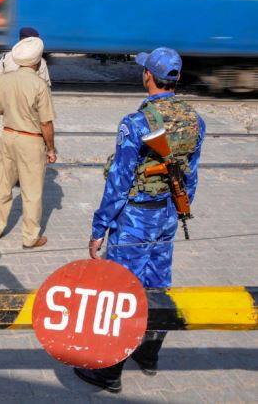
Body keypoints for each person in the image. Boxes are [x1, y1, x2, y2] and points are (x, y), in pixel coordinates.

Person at [75, 47, 205, 393]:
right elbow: (190, 176)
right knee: (157, 284)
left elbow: (119, 181)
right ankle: (148, 355)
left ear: (148, 76)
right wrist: (180, 209)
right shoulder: (195, 120)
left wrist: (99, 227)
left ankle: (109, 371)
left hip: (134, 217)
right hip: (166, 216)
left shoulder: (136, 122)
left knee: (121, 290)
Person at [0, 37, 56, 249]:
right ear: (38, 61)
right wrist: (51, 149)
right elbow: (46, 123)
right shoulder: (40, 85)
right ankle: (30, 237)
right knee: (32, 192)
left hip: (8, 136)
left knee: (2, 186)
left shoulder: (5, 79)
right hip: (31, 140)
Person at [0, 27, 51, 181]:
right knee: (28, 140)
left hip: (8, 106)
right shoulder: (39, 62)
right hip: (29, 109)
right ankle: (21, 177)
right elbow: (45, 86)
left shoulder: (6, 57)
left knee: (1, 137)